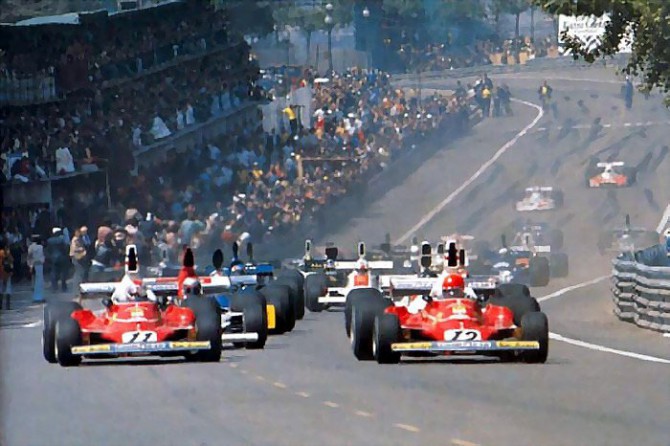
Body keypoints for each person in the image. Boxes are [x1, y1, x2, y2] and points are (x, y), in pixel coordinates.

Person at [27, 235, 45, 304]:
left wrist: (30, 265)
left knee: (34, 281)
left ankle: (36, 297)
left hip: (33, 265)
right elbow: (42, 256)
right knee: (39, 281)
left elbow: (29, 257)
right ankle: (38, 297)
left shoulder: (30, 247)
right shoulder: (40, 247)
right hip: (39, 265)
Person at [0, 244, 13, 310]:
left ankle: (0, 305)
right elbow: (11, 264)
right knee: (8, 289)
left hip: (1, 274)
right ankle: (7, 306)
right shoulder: (8, 254)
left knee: (1, 289)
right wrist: (11, 271)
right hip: (7, 274)